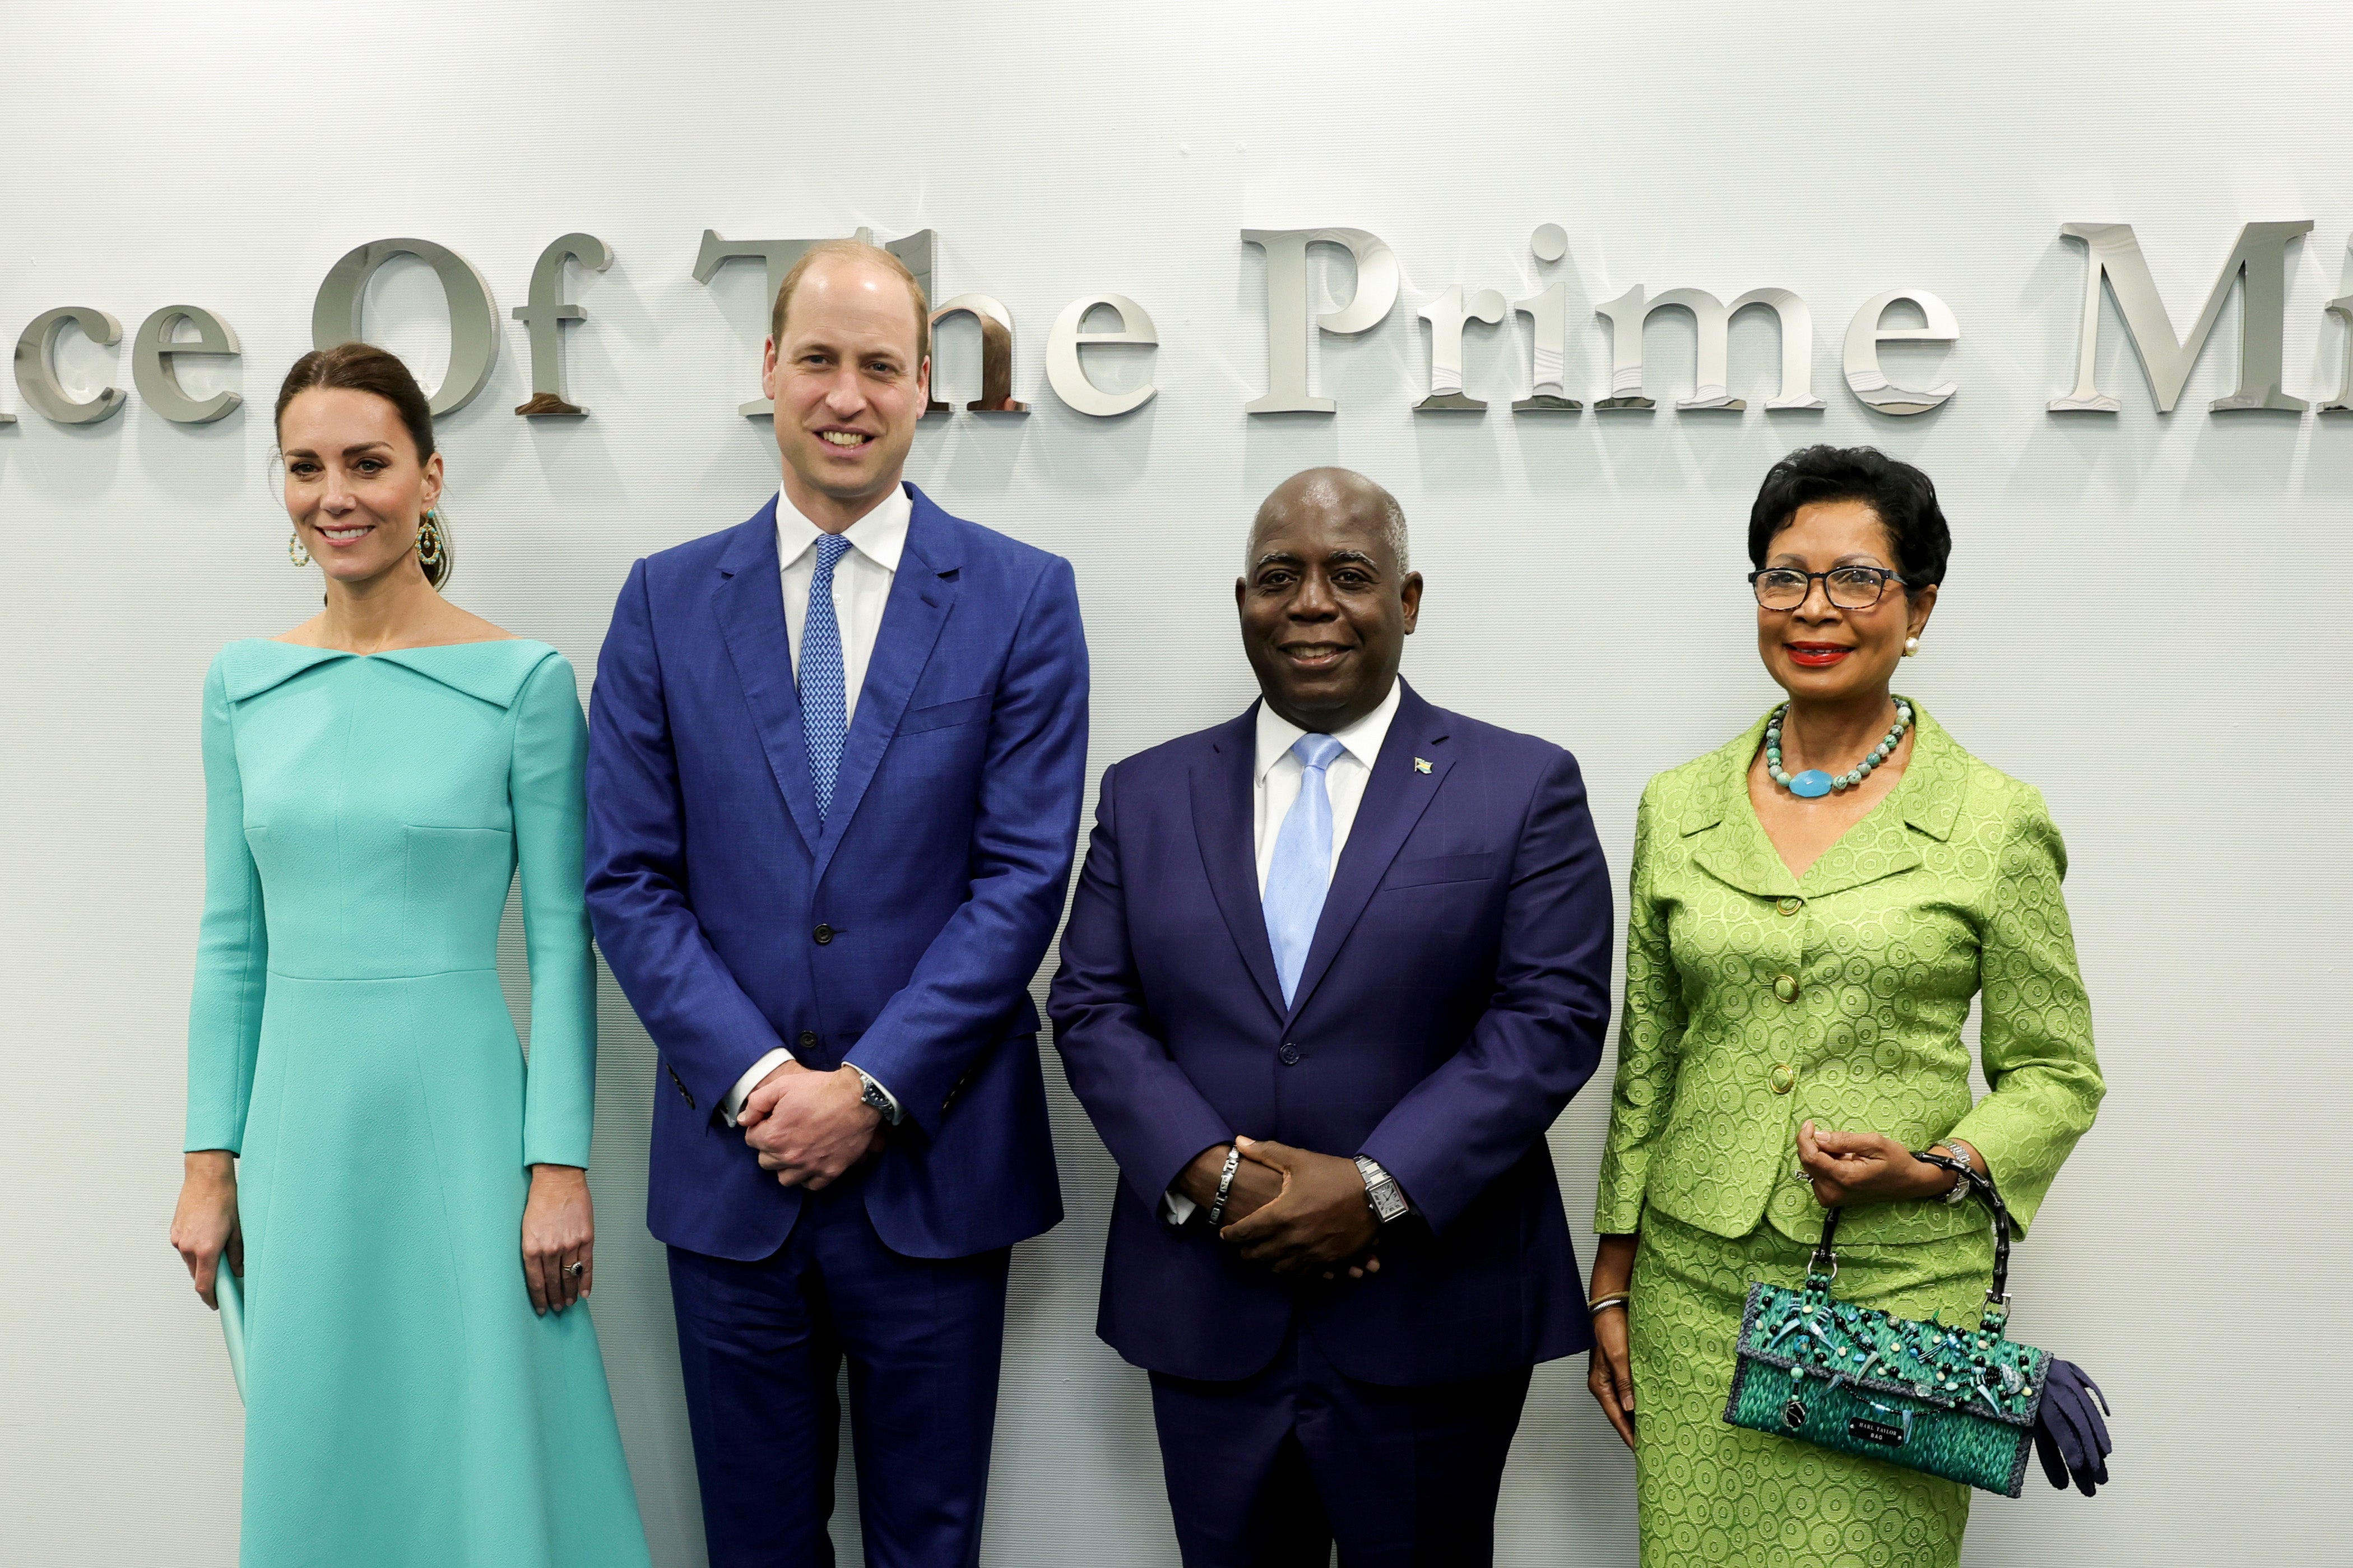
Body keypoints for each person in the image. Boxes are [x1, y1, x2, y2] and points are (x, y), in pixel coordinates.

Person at [584, 239, 1088, 1568]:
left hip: (935, 1161)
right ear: (768, 371)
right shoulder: (662, 600)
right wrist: (762, 1081)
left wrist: (865, 1090)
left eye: (880, 365)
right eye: (818, 359)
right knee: (753, 1546)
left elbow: (1022, 879)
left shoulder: (1024, 598)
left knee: (929, 1543)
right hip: (731, 1171)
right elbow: (627, 880)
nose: (846, 396)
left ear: (928, 384)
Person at [1047, 468, 1614, 1567]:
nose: (1311, 602)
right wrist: (1215, 1174)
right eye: (1279, 577)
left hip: (1431, 1312)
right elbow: (1092, 1007)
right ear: (1242, 600)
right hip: (1210, 1307)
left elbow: (1550, 1014)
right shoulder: (1144, 792)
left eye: (1349, 575)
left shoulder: (1522, 784)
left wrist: (1374, 1188)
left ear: (1407, 600)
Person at [167, 344, 651, 1568]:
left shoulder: (523, 683)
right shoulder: (242, 684)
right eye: (306, 466)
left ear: (430, 478)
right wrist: (207, 1161)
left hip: (463, 1124)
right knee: (324, 1434)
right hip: (298, 1132)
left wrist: (558, 1168)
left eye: (368, 463)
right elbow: (232, 943)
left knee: (478, 1431)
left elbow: (561, 942)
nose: (336, 494)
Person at [1585, 445, 2107, 1567]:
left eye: (1857, 578)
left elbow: (2057, 1072)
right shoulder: (1675, 807)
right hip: (1693, 1295)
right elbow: (1648, 1061)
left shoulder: (1994, 820)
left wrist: (1941, 1165)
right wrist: (1610, 1284)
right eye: (1786, 576)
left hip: (1895, 1301)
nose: (1815, 608)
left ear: (1918, 607)